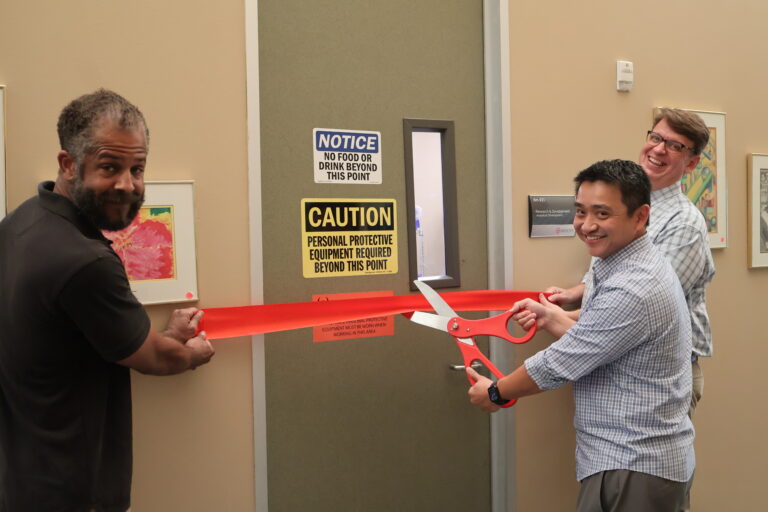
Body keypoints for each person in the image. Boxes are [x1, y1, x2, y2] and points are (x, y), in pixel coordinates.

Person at [0, 89, 215, 511]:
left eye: (138, 168)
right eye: (109, 167)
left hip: (21, 474)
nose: (127, 184)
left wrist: (164, 334)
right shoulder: (85, 261)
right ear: (68, 164)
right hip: (73, 490)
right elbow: (157, 358)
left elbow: (87, 335)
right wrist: (190, 353)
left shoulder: (19, 224)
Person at [468, 160, 694, 512]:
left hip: (632, 465)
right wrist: (552, 315)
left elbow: (560, 363)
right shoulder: (623, 260)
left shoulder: (634, 287)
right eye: (580, 212)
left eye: (602, 214)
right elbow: (600, 338)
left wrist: (495, 393)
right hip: (633, 461)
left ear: (639, 216)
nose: (587, 225)